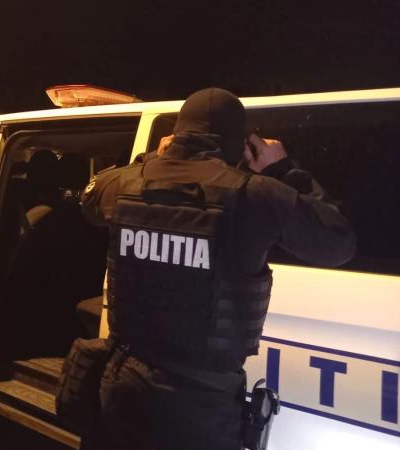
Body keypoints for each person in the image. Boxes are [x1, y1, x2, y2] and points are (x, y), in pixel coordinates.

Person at [81, 88, 356, 449]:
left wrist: (151, 159)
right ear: (242, 144)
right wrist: (283, 169)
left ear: (177, 136)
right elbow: (338, 243)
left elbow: (89, 198)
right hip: (201, 403)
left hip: (123, 384)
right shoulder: (256, 194)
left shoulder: (125, 184)